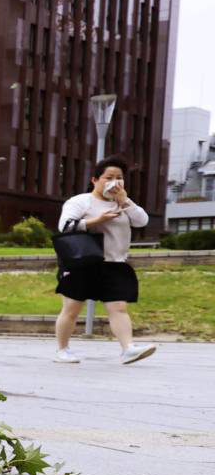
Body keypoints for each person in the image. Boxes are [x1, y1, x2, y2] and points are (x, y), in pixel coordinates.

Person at [53, 156, 154, 364]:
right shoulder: (81, 201)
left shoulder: (123, 203)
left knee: (118, 307)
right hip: (83, 262)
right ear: (95, 180)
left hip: (115, 263)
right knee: (71, 309)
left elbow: (142, 220)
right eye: (109, 177)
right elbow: (65, 226)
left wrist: (125, 200)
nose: (115, 182)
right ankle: (62, 349)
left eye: (120, 178)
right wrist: (96, 221)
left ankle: (128, 349)